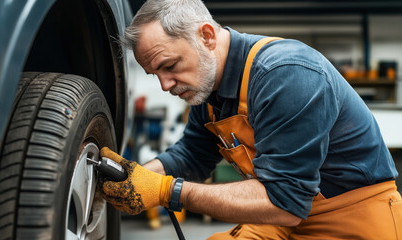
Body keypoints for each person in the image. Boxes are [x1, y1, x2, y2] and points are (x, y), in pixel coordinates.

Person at [98, 0, 402, 239]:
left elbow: (285, 201)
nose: (165, 85)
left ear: (206, 36)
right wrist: (134, 176)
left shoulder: (286, 75)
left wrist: (166, 191)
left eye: (170, 65)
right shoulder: (207, 88)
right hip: (283, 218)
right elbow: (192, 153)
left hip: (350, 218)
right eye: (156, 75)